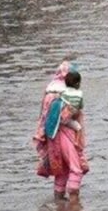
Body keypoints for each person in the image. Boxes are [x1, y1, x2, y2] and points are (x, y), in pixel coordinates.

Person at [33, 62, 89, 203]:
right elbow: (66, 116)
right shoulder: (66, 93)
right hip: (66, 134)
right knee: (76, 167)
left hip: (51, 136)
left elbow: (44, 116)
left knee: (62, 169)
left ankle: (59, 201)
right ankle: (74, 202)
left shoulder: (49, 90)